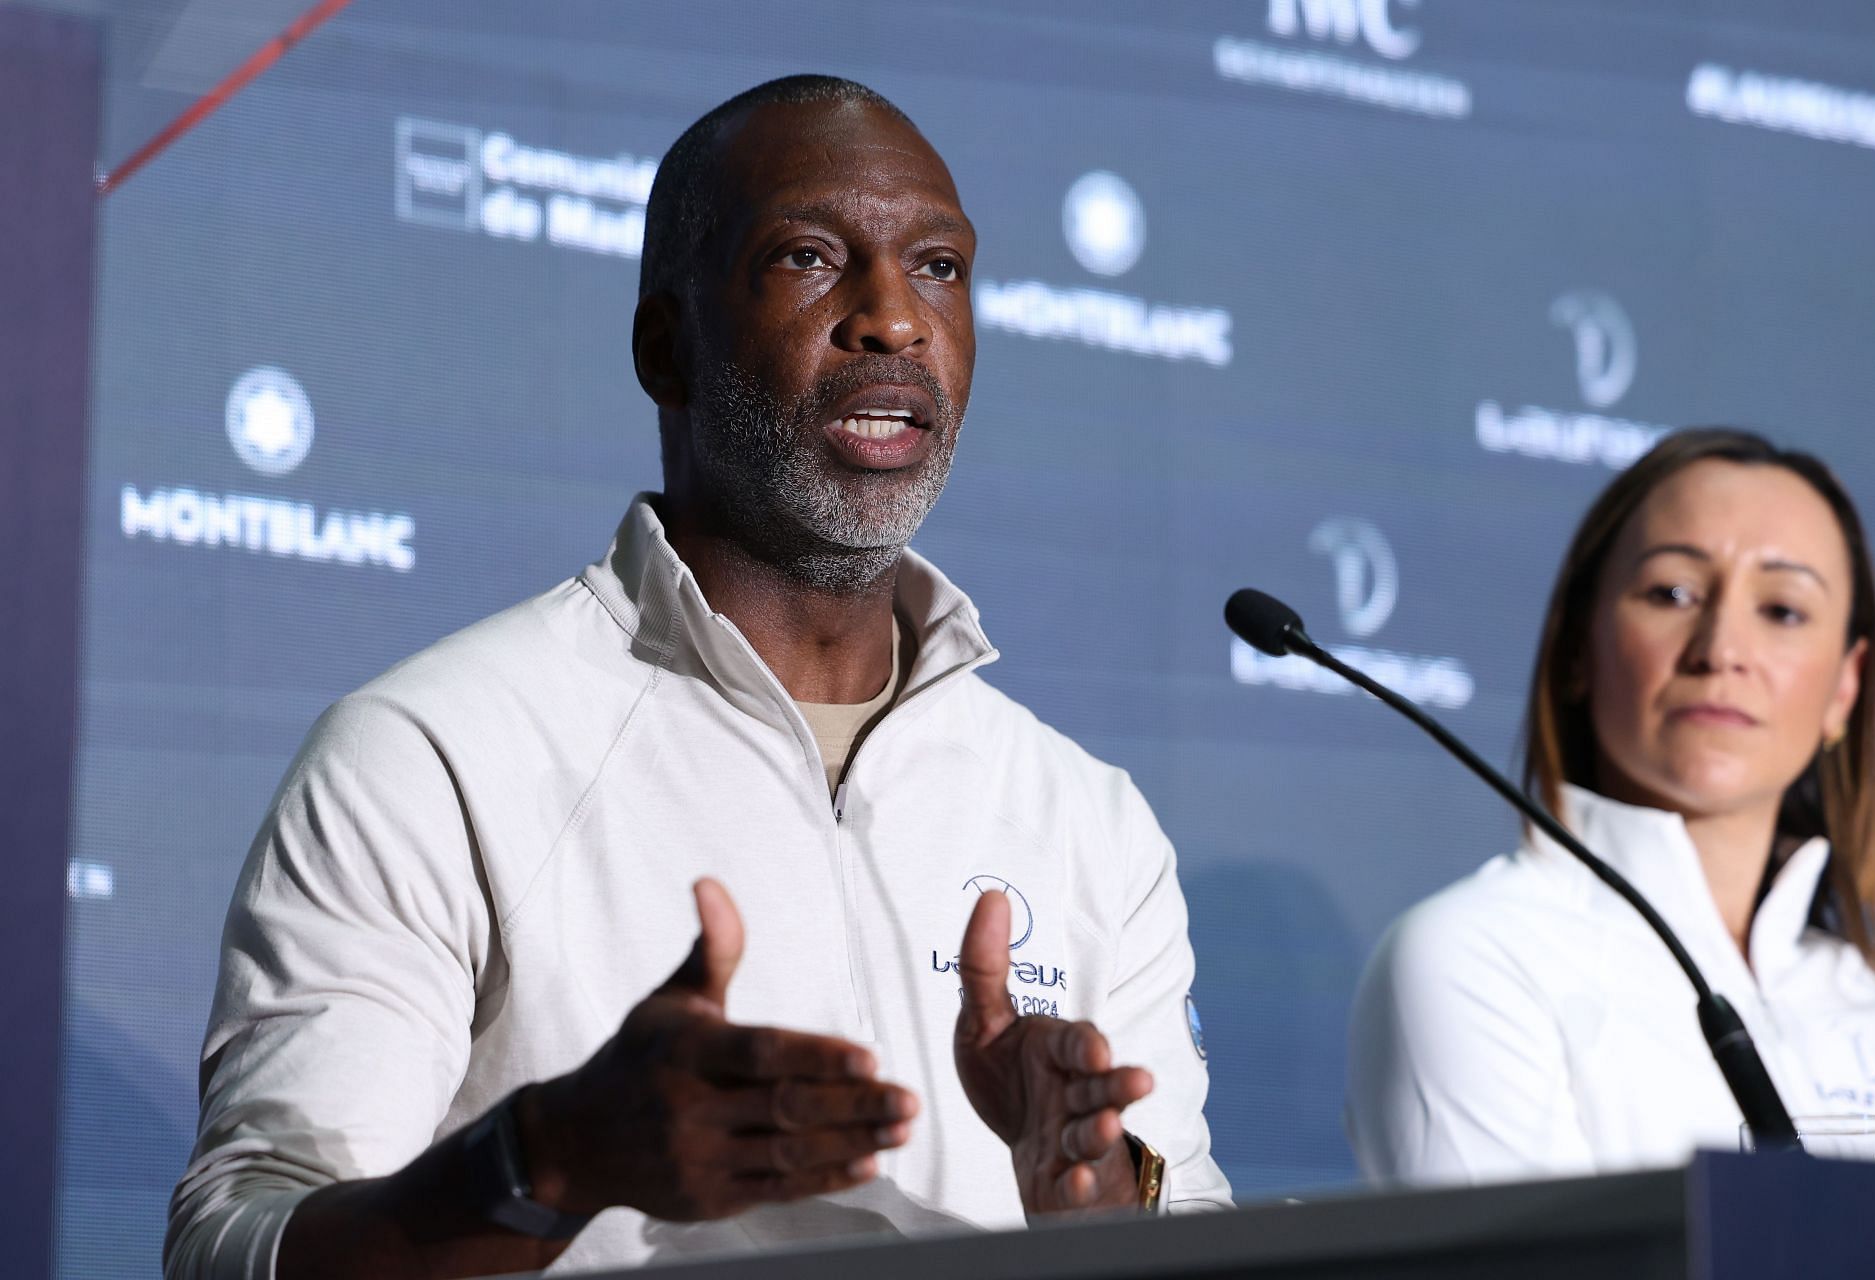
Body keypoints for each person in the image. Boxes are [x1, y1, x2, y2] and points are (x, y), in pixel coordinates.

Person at [164, 75, 1229, 1280]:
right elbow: (231, 1250)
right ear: (665, 346)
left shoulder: (1088, 818)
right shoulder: (430, 753)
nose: (893, 318)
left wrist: (1101, 1206)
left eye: (939, 266)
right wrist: (546, 1160)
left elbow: (1198, 1234)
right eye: (811, 256)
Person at [1347, 427, 1875, 1185]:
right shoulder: (1474, 958)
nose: (1721, 648)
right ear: (1582, 646)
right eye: (1673, 594)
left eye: (1781, 609)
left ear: (1846, 687)